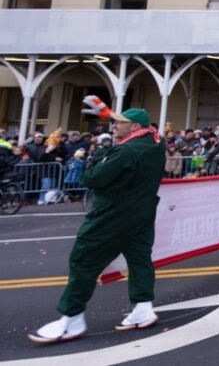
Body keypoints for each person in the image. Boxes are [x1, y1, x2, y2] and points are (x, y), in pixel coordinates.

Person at [30, 106, 165, 343]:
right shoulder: (156, 144)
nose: (114, 126)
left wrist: (94, 159)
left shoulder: (125, 151)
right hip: (142, 212)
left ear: (135, 127)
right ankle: (143, 307)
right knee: (139, 258)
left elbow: (93, 178)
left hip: (113, 212)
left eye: (120, 123)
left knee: (83, 259)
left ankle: (72, 317)